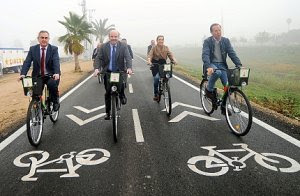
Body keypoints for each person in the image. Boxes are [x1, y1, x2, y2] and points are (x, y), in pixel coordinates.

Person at [202, 23, 242, 114]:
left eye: (219, 30)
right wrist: (208, 67)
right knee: (217, 72)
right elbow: (205, 54)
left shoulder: (226, 41)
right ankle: (208, 90)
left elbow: (232, 53)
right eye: (215, 31)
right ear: (211, 32)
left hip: (222, 65)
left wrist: (239, 64)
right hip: (212, 64)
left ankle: (223, 106)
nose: (218, 32)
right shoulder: (207, 41)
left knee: (228, 86)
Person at [93, 30, 133, 120]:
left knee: (121, 85)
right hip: (108, 72)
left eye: (115, 36)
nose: (114, 38)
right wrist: (96, 69)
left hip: (120, 71)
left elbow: (128, 57)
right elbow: (98, 58)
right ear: (109, 37)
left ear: (118, 37)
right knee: (107, 93)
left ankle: (122, 95)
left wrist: (129, 68)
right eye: (112, 36)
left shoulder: (123, 46)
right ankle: (108, 112)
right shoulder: (104, 47)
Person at [19, 30, 61, 111]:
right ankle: (37, 104)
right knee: (35, 93)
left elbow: (56, 61)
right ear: (38, 39)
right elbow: (27, 61)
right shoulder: (33, 49)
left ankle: (55, 101)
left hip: (51, 75)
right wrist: (23, 74)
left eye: (46, 38)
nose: (44, 39)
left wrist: (56, 73)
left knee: (52, 85)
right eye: (42, 37)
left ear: (48, 39)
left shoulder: (54, 49)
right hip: (38, 75)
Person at [147, 35, 177, 101]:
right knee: (156, 78)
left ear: (163, 40)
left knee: (167, 76)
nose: (161, 41)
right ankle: (156, 94)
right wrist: (149, 61)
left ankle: (165, 85)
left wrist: (174, 60)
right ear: (157, 40)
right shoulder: (154, 48)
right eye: (159, 39)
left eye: (162, 39)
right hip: (155, 64)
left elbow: (170, 54)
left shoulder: (166, 47)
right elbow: (150, 55)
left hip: (163, 63)